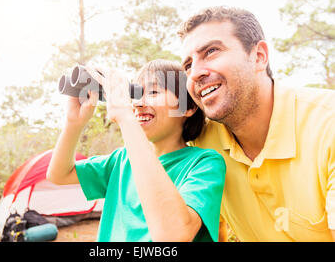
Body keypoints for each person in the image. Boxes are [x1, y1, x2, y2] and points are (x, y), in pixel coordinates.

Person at [178, 6, 335, 242]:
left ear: (259, 56)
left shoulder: (327, 124)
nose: (195, 73)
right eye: (188, 65)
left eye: (211, 51)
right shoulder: (201, 143)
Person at [46, 59, 226, 242]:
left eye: (153, 92)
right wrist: (73, 123)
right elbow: (59, 174)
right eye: (136, 93)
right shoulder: (122, 159)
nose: (138, 103)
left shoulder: (204, 164)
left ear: (188, 107)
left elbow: (174, 236)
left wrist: (125, 116)